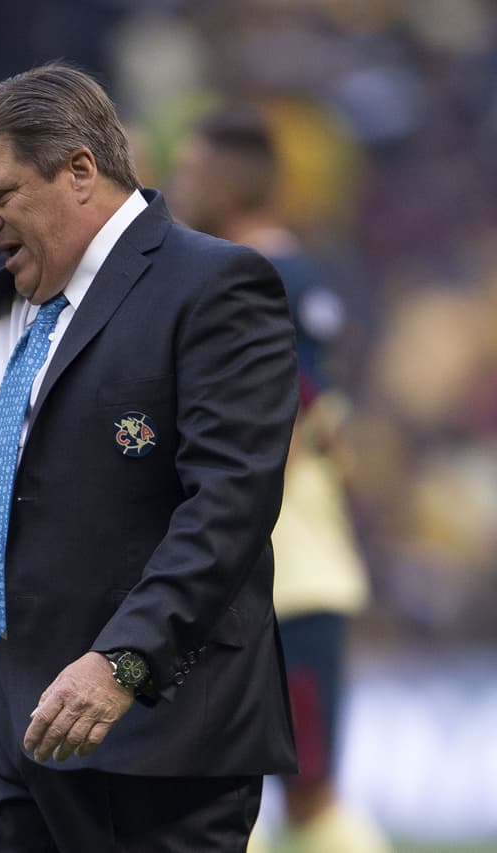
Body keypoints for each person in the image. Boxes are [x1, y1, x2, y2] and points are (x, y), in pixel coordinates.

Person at [0, 62, 298, 851]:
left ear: (80, 171)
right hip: (3, 708)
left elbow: (229, 501)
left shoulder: (215, 285)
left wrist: (125, 660)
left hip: (153, 722)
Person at [168, 105, 389, 853]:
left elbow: (286, 419)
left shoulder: (259, 277)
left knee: (303, 796)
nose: (178, 183)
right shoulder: (282, 275)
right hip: (263, 574)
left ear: (229, 187)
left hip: (275, 577)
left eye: (192, 170)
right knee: (229, 790)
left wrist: (220, 527)